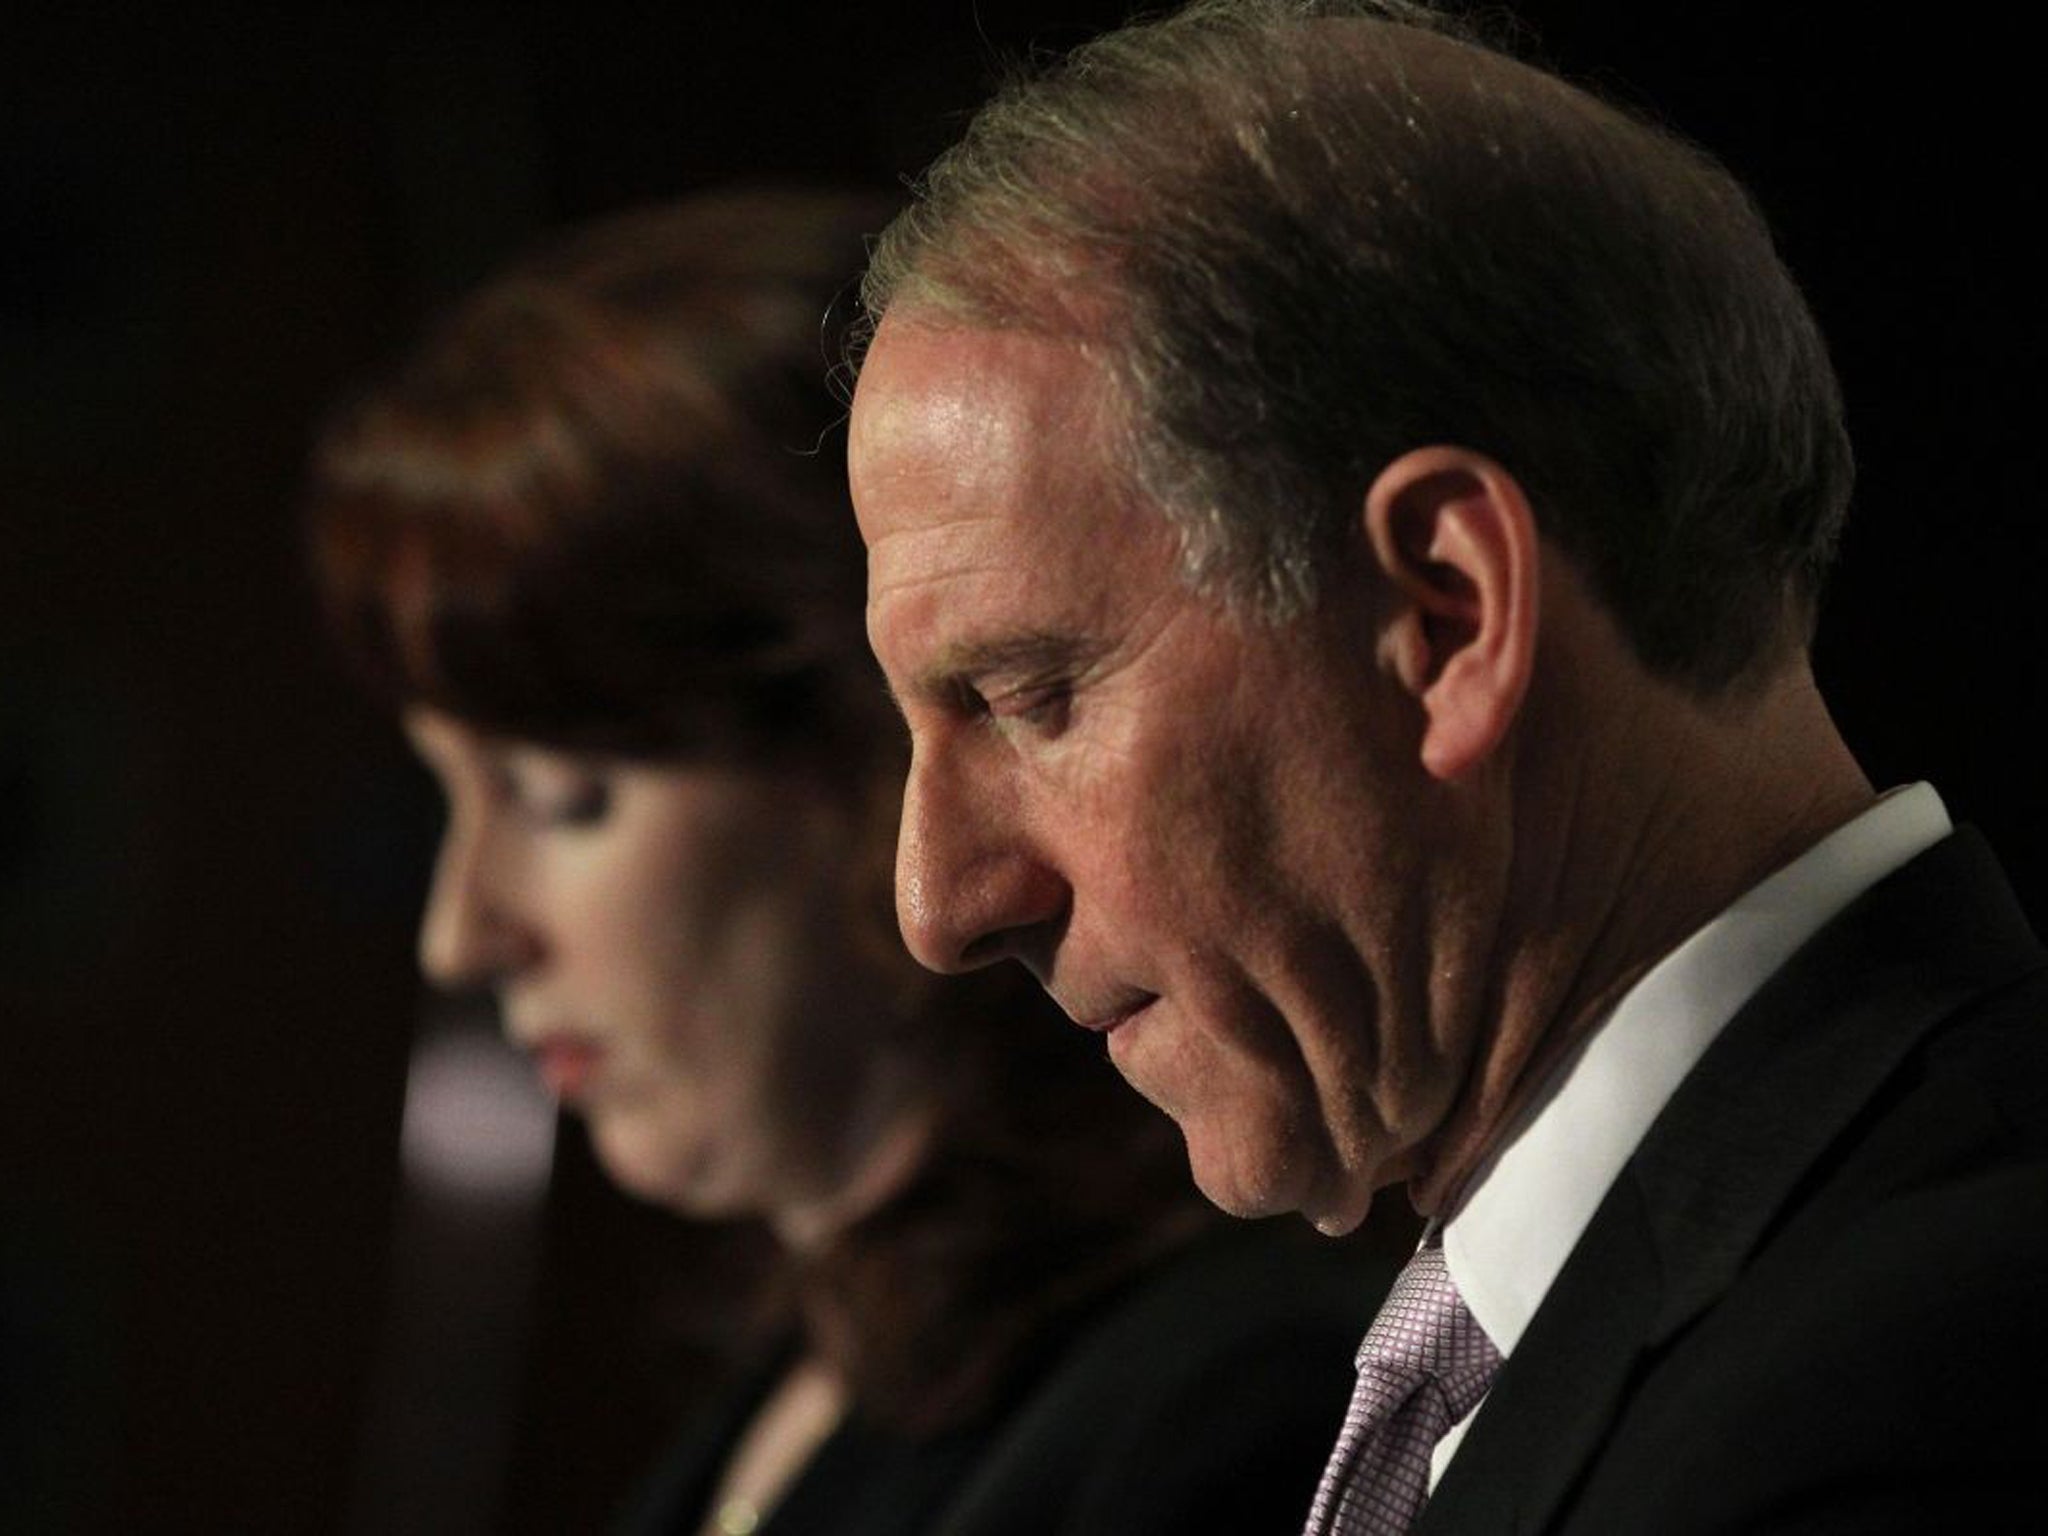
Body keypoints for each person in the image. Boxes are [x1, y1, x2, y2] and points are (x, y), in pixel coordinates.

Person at [846, 2, 2048, 1532]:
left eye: (1029, 696)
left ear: (1450, 614)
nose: (940, 904)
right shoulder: (1622, 1310)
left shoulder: (1939, 1386)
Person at [306, 188, 1385, 1536]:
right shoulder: (806, 1380)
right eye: (449, 801)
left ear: (884, 754)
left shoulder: (1221, 1407)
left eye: (562, 795)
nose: (462, 936)